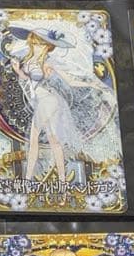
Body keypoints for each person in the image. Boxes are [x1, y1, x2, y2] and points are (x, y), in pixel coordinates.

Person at [6, 26, 117, 181]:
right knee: (53, 141)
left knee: (35, 140)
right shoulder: (29, 60)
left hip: (49, 101)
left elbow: (70, 80)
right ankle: (61, 180)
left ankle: (29, 179)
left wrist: (93, 84)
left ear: (48, 47)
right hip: (42, 101)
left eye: (41, 44)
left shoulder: (49, 63)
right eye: (35, 43)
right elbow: (27, 81)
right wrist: (18, 70)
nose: (37, 47)